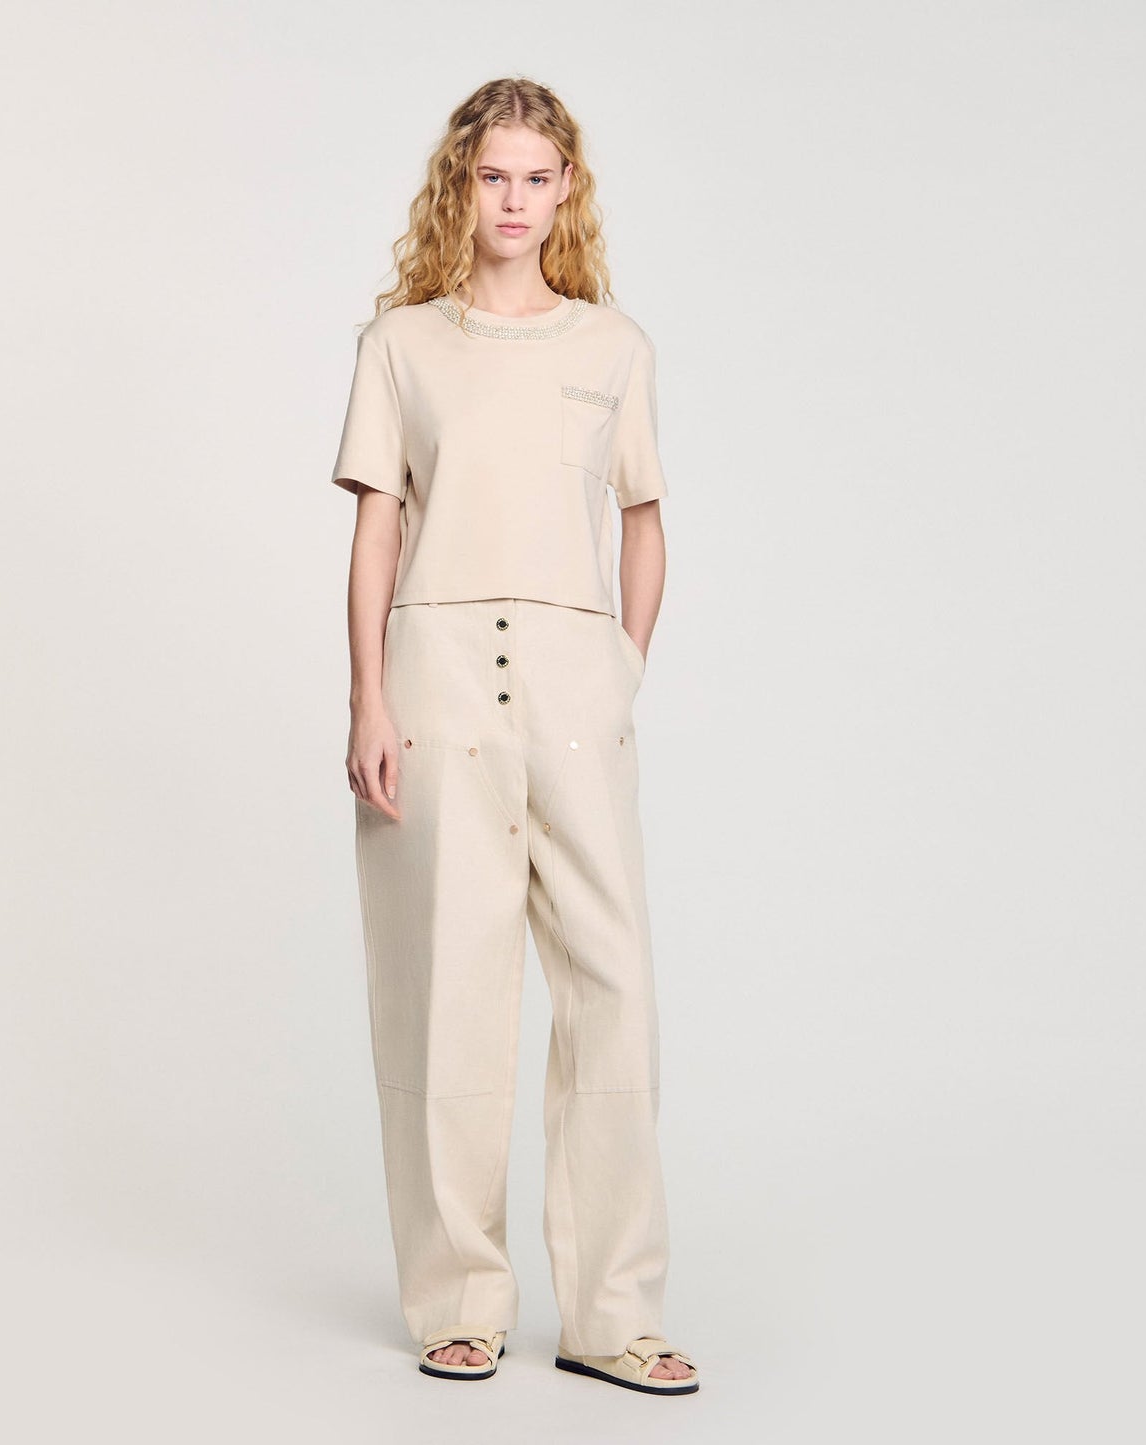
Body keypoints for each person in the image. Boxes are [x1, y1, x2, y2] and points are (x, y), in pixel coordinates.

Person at [329, 76, 699, 1397]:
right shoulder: (402, 345)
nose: (514, 200)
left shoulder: (615, 347)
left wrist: (618, 668)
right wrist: (368, 699)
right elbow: (376, 527)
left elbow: (643, 519)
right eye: (494, 175)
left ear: (565, 190)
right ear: (461, 183)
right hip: (435, 677)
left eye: (538, 178)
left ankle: (610, 1311)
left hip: (571, 685)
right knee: (448, 992)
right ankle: (459, 1301)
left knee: (613, 991)